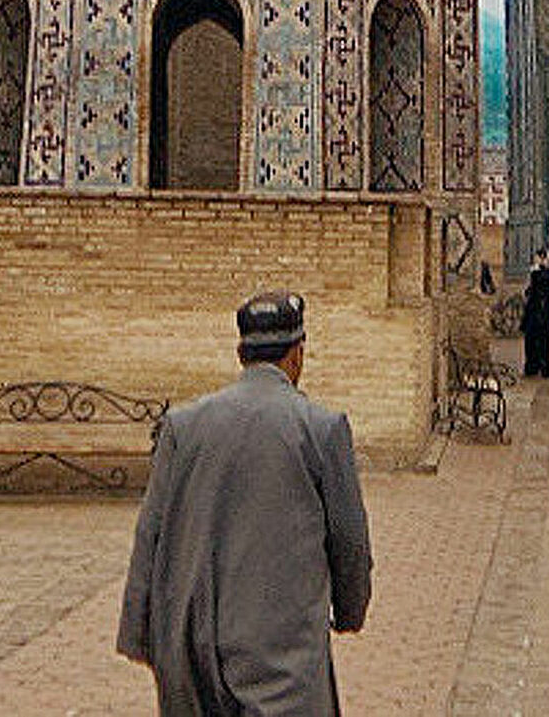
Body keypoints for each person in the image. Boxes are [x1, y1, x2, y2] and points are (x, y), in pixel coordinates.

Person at [117, 290, 372, 714]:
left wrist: (140, 632)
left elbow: (152, 530)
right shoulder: (321, 430)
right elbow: (349, 541)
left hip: (193, 645)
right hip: (283, 655)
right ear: (297, 355)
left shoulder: (184, 425)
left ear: (242, 355)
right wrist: (350, 611)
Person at [521, 247, 549, 379]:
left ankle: (541, 367)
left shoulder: (546, 273)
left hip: (539, 313)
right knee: (534, 341)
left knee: (541, 341)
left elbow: (538, 288)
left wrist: (537, 269)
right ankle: (535, 366)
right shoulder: (542, 272)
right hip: (540, 313)